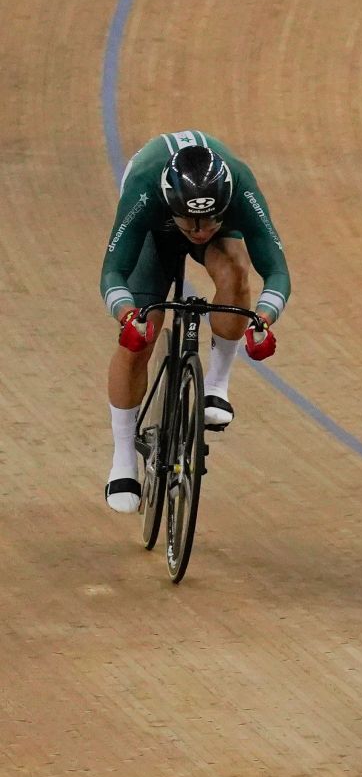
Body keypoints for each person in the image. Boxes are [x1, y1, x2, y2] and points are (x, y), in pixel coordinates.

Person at [100, 131, 287, 512]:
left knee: (236, 272)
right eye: (191, 224)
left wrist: (263, 321)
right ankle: (123, 459)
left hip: (204, 215)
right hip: (157, 229)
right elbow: (112, 272)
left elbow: (278, 272)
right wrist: (127, 315)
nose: (200, 232)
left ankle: (217, 384)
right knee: (141, 333)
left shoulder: (241, 188)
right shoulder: (145, 189)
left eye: (208, 222)